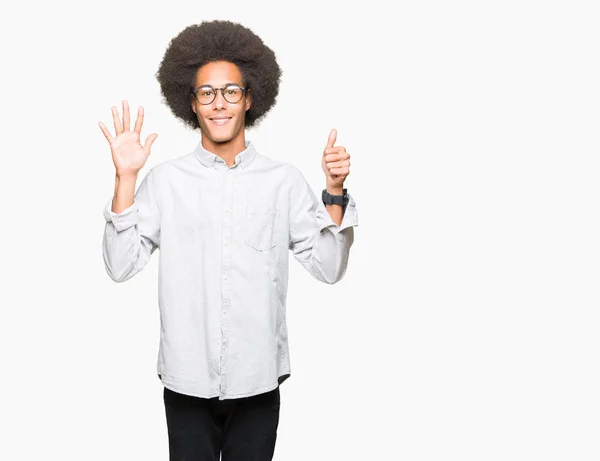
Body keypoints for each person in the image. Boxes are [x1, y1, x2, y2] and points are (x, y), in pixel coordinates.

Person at [99, 19, 358, 461]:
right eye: (207, 93)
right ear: (193, 104)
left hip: (257, 379)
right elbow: (121, 266)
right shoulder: (165, 182)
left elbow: (330, 267)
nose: (219, 103)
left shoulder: (284, 181)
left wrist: (333, 189)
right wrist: (126, 179)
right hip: (187, 378)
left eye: (231, 92)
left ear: (250, 98)